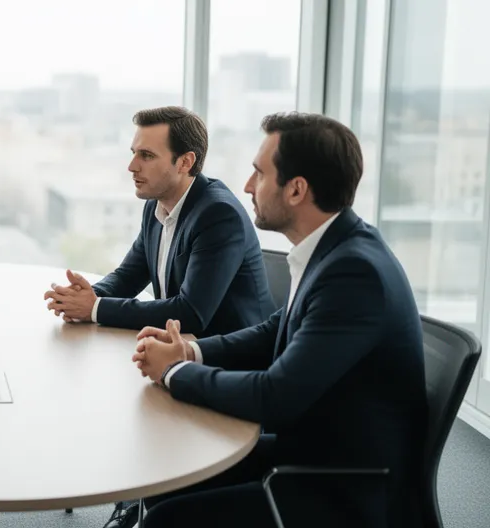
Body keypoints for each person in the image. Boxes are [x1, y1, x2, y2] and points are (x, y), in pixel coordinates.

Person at [132, 112, 427, 527]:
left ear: (296, 190)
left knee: (169, 518)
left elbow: (277, 395)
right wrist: (192, 351)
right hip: (310, 446)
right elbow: (276, 328)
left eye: (259, 173)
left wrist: (176, 372)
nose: (248, 186)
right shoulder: (334, 247)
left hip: (341, 485)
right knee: (165, 476)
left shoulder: (354, 273)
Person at [44, 106, 274, 339]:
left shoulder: (219, 214)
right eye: (134, 153)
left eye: (147, 155)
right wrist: (84, 296)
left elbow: (191, 313)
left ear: (185, 162)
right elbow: (128, 277)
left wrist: (94, 308)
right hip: (181, 349)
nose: (132, 166)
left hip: (231, 362)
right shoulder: (156, 204)